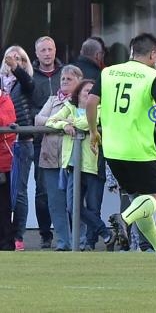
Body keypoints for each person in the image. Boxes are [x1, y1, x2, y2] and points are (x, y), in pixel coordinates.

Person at [87, 32, 156, 262]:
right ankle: (124, 219)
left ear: (131, 51)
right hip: (138, 149)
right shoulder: (152, 75)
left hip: (113, 151)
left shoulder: (108, 72)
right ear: (153, 53)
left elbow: (90, 101)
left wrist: (93, 131)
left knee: (141, 199)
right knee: (155, 199)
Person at [46, 79, 115, 251]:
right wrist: (64, 124)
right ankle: (106, 233)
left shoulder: (100, 109)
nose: (89, 94)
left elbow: (87, 123)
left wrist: (71, 124)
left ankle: (91, 244)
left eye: (93, 91)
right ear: (78, 93)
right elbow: (50, 121)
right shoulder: (69, 108)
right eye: (86, 91)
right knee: (72, 206)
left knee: (93, 207)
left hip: (92, 164)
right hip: (73, 165)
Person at [35, 65, 83, 251]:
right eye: (62, 78)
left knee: (75, 203)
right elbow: (38, 119)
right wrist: (63, 124)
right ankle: (64, 242)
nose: (64, 81)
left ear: (79, 81)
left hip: (73, 159)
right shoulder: (52, 99)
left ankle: (81, 242)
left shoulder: (83, 101)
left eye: (69, 79)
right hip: (50, 158)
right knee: (55, 204)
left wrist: (54, 121)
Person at [2, 46, 36, 251]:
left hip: (21, 141)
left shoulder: (24, 83)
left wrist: (16, 69)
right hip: (3, 143)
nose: (15, 62)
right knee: (5, 194)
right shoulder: (2, 84)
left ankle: (18, 236)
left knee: (19, 192)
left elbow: (28, 83)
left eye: (20, 59)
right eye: (11, 59)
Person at [0, 82, 16, 250]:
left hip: (3, 163)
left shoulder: (6, 102)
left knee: (4, 206)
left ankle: (6, 243)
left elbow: (4, 122)